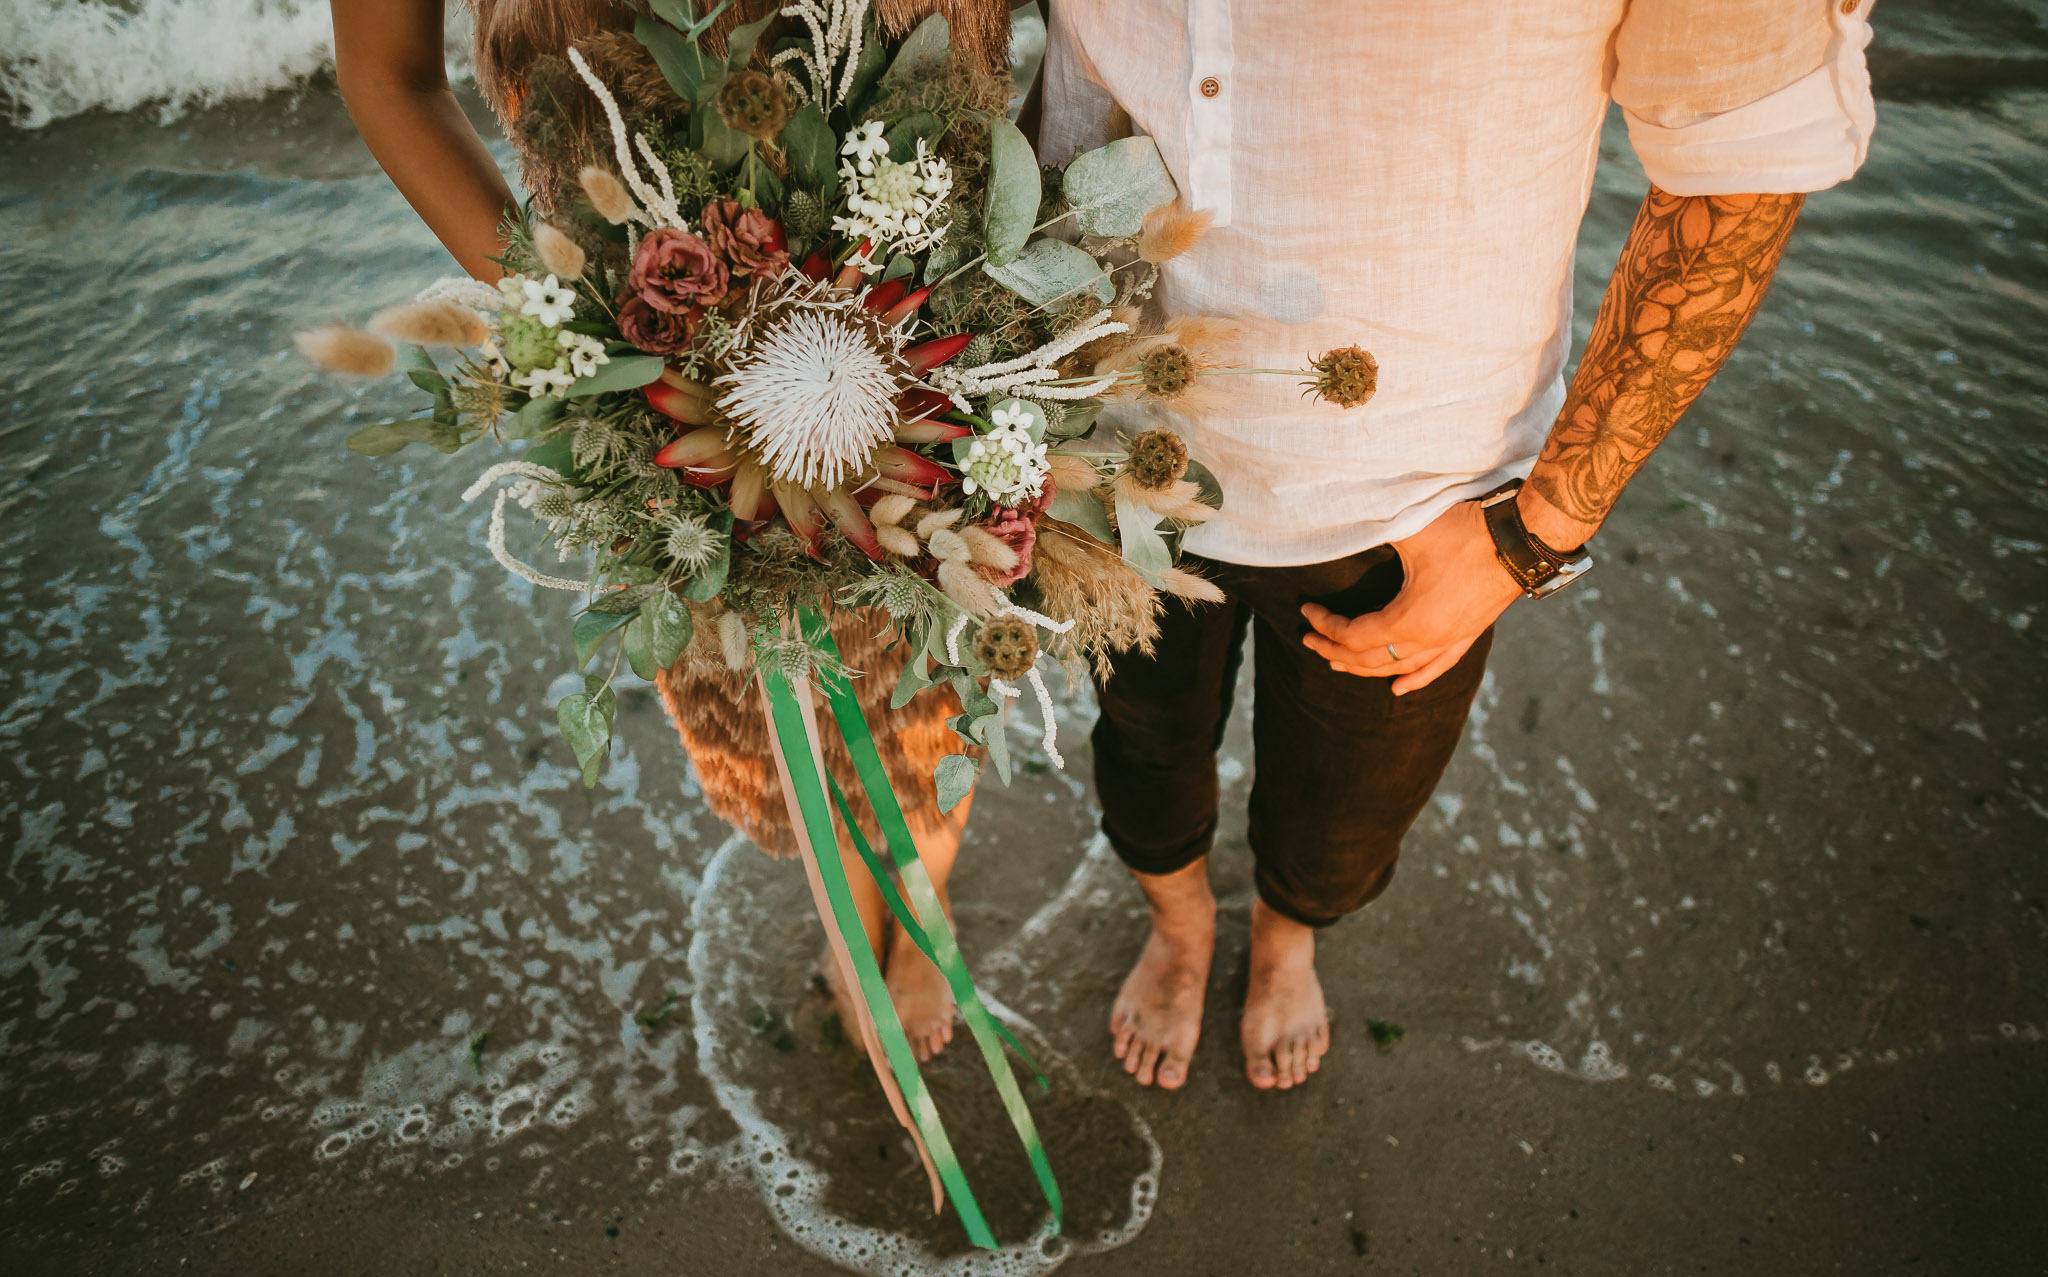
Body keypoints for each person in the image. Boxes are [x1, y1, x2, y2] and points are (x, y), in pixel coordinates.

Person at [1036, 0, 1876, 1091]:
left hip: (1419, 491)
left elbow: (1738, 154)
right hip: (1095, 431)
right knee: (1142, 760)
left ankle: (1287, 940)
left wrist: (1530, 537)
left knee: (1348, 810)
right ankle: (1182, 928)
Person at [329, 0, 1017, 1063]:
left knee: (933, 668)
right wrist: (579, 330)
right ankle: (849, 918)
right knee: (755, 692)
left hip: (925, 317)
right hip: (660, 360)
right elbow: (388, 75)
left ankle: (924, 915)